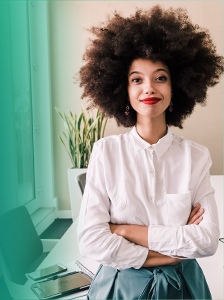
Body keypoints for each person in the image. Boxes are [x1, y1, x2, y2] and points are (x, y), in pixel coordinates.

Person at [76, 5, 223, 299]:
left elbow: (207, 241)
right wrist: (171, 252)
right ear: (123, 91)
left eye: (160, 77)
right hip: (120, 287)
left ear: (176, 87)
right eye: (136, 79)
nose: (149, 88)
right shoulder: (105, 153)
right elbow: (92, 241)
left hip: (184, 288)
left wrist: (125, 230)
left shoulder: (196, 156)